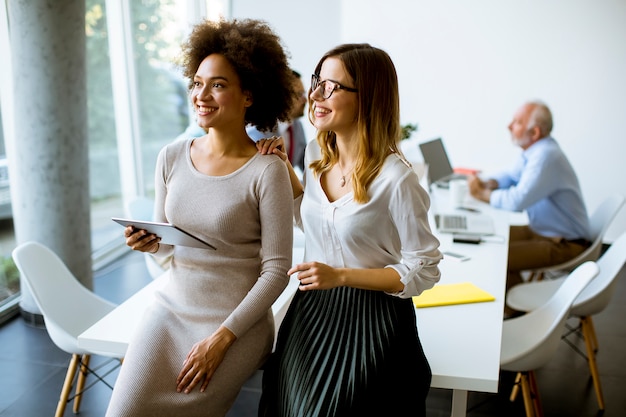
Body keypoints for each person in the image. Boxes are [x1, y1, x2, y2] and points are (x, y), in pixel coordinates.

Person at [105, 18, 295, 417]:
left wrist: (222, 338)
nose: (201, 94)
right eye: (196, 82)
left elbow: (276, 271)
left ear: (248, 96)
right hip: (170, 308)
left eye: (218, 84)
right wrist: (151, 244)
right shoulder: (171, 156)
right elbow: (167, 249)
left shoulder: (267, 170)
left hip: (235, 324)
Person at [256, 43, 442, 417]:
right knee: (285, 402)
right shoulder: (313, 155)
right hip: (311, 311)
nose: (315, 95)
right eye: (316, 82)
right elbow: (313, 220)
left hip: (374, 321)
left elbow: (424, 269)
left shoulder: (396, 179)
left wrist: (340, 275)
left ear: (368, 98)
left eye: (332, 86)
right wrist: (283, 172)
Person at [467, 100, 591, 315]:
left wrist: (482, 194)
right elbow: (512, 176)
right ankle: (512, 307)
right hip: (541, 230)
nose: (509, 126)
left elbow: (517, 200)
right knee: (488, 237)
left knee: (496, 257)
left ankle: (522, 316)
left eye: (517, 122)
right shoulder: (535, 151)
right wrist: (489, 183)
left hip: (565, 244)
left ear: (534, 132)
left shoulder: (546, 156)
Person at [247, 69, 308, 172]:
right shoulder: (256, 130)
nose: (305, 100)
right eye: (299, 94)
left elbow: (307, 167)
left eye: (304, 94)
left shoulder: (297, 126)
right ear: (282, 97)